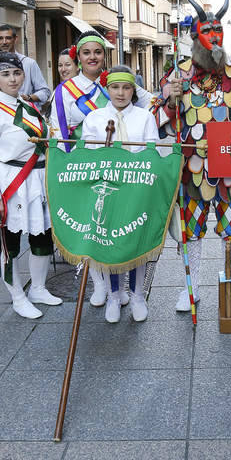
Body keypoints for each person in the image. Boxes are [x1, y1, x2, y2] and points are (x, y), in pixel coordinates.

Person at [154, 0, 231, 311]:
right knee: (191, 231)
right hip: (191, 170)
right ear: (195, 36)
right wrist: (171, 100)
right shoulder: (178, 73)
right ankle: (191, 287)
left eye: (218, 31)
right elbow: (155, 120)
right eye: (207, 32)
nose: (214, 37)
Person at [51, 30, 152, 309]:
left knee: (130, 235)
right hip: (90, 172)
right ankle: (104, 288)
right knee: (97, 231)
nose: (93, 57)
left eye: (97, 52)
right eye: (87, 53)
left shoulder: (120, 81)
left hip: (131, 178)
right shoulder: (67, 92)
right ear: (78, 57)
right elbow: (60, 133)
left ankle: (134, 293)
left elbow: (153, 107)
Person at [0, 52, 59, 320]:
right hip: (12, 181)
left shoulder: (29, 106)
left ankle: (39, 288)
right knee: (9, 244)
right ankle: (18, 297)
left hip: (38, 181)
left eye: (17, 73)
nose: (12, 79)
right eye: (5, 74)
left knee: (42, 238)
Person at [81, 65, 159, 323]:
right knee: (111, 243)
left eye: (126, 87)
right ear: (107, 88)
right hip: (109, 190)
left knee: (136, 242)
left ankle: (137, 296)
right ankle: (115, 296)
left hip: (135, 190)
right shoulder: (94, 118)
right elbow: (87, 154)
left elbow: (152, 152)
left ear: (133, 90)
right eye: (115, 87)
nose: (121, 93)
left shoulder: (145, 117)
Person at [0, 24, 51, 108]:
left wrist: (29, 98)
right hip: (2, 115)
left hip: (26, 115)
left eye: (8, 38)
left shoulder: (29, 63)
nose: (4, 42)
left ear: (15, 39)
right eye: (0, 38)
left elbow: (45, 92)